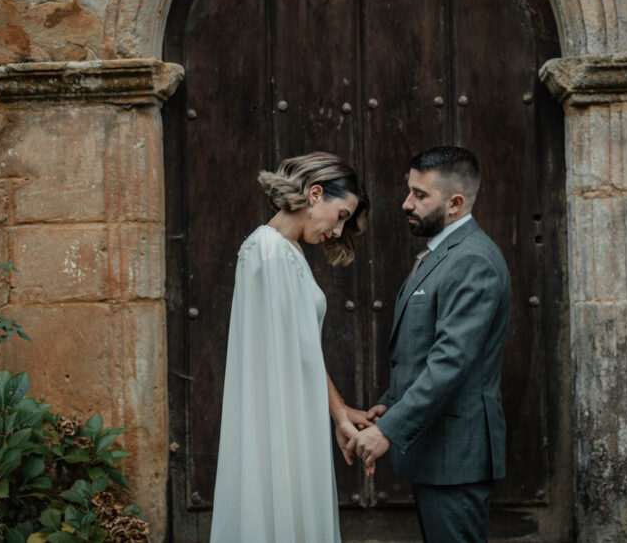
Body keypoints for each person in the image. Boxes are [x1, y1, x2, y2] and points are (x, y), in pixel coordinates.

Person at [348, 146, 511, 542]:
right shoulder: (446, 253)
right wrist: (392, 402)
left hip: (456, 455)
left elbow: (449, 363)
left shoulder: (472, 260)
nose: (407, 203)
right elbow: (425, 350)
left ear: (455, 203)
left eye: (420, 195)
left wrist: (388, 430)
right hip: (436, 451)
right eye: (410, 191)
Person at [210, 152, 372, 543]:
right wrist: (337, 414)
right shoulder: (271, 250)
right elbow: (295, 352)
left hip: (296, 407)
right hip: (282, 414)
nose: (339, 230)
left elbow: (302, 347)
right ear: (314, 195)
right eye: (342, 215)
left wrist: (339, 411)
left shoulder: (285, 249)